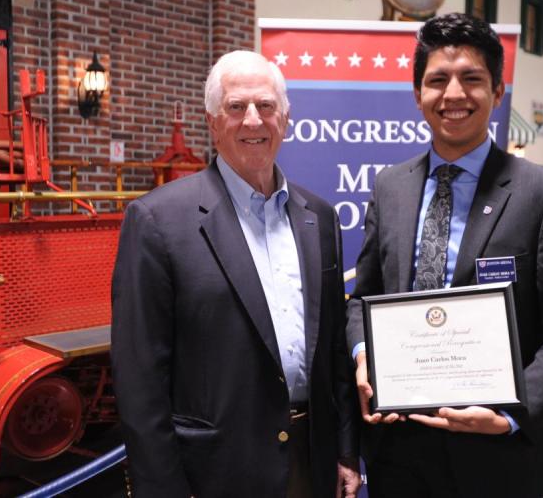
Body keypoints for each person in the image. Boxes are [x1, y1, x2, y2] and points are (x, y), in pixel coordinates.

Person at [346, 13, 543, 497]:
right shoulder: (390, 187)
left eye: (472, 79)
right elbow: (365, 297)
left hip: (498, 461)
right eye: (437, 80)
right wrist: (363, 355)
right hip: (397, 451)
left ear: (497, 91)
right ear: (418, 94)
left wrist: (512, 413)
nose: (453, 95)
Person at [111, 50, 360, 498]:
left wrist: (345, 450)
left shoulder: (319, 218)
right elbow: (139, 378)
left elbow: (335, 353)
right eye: (236, 107)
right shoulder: (157, 221)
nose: (252, 121)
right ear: (212, 121)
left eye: (265, 106)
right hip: (213, 472)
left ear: (284, 119)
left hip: (313, 461)